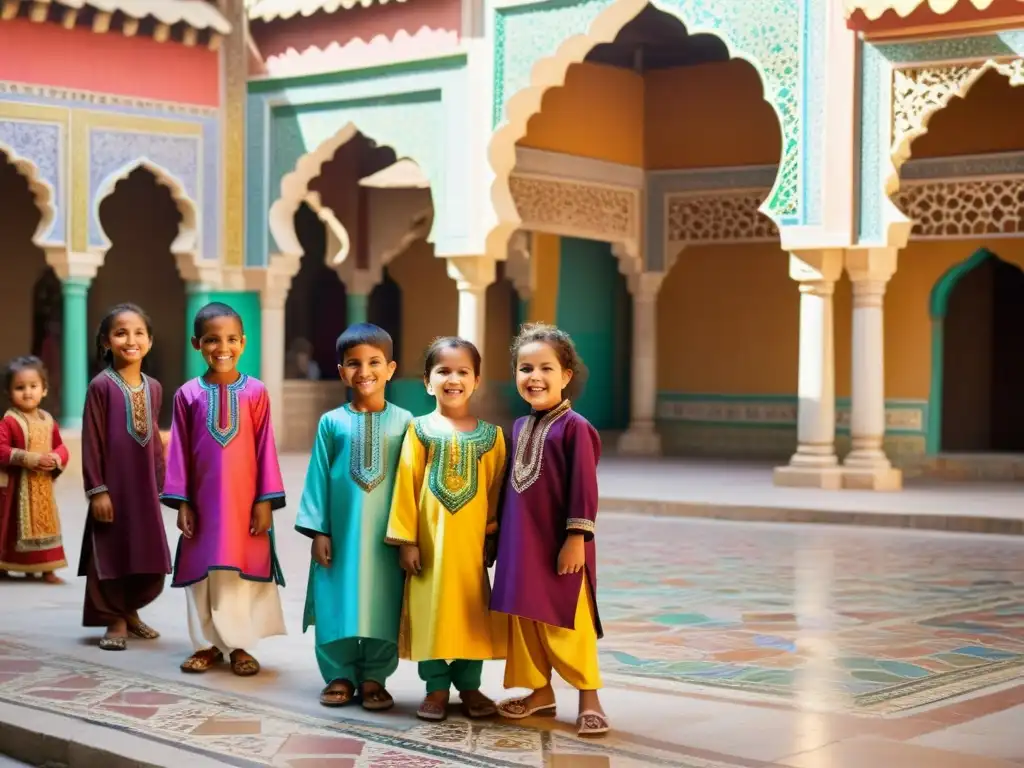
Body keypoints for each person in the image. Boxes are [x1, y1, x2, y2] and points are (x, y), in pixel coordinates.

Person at [491, 323, 609, 737]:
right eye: (525, 368)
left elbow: (583, 487)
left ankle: (589, 697)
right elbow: (511, 487)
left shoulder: (575, 427)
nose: (534, 377)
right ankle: (540, 691)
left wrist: (576, 538)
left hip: (559, 545)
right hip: (519, 546)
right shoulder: (521, 428)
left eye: (545, 368)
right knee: (525, 620)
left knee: (566, 620)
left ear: (566, 376)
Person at [161, 302, 287, 677]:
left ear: (244, 343)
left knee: (239, 574)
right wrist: (182, 502)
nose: (222, 347)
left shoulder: (256, 392)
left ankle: (240, 646)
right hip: (202, 504)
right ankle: (205, 645)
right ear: (196, 343)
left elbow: (266, 447)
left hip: (245, 503)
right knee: (202, 574)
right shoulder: (186, 394)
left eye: (232, 339)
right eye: (212, 340)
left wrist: (264, 501)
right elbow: (179, 452)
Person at [386, 337, 507, 722]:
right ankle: (436, 687)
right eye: (443, 371)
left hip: (470, 549)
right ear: (427, 380)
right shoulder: (419, 431)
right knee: (431, 611)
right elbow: (406, 485)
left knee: (472, 612)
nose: (452, 379)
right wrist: (407, 541)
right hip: (429, 547)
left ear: (477, 381)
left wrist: (492, 536)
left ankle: (469, 686)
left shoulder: (493, 437)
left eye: (462, 372)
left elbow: (496, 491)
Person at [296, 323, 412, 710]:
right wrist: (319, 531)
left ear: (391, 368)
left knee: (383, 601)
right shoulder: (332, 422)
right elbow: (317, 478)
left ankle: (375, 676)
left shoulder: (406, 422)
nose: (365, 371)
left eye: (374, 362)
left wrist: (408, 535)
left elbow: (411, 484)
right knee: (337, 599)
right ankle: (340, 673)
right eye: (354, 363)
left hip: (387, 537)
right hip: (341, 534)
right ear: (342, 371)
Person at [81, 304, 172, 651]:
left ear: (149, 341)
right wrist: (97, 490)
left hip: (144, 489)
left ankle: (131, 611)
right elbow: (92, 441)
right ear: (106, 341)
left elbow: (154, 441)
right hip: (113, 487)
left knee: (144, 549)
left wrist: (164, 486)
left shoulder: (155, 388)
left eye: (138, 333)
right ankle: (114, 618)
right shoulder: (100, 387)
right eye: (120, 333)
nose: (130, 340)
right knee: (113, 549)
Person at [0, 356, 69, 582]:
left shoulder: (48, 420)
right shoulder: (9, 421)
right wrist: (27, 458)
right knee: (10, 525)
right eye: (20, 387)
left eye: (33, 386)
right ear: (9, 392)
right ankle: (5, 565)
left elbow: (61, 446)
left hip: (42, 487)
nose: (28, 392)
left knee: (46, 524)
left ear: (44, 390)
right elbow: (0, 449)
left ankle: (47, 567)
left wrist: (56, 458)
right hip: (16, 486)